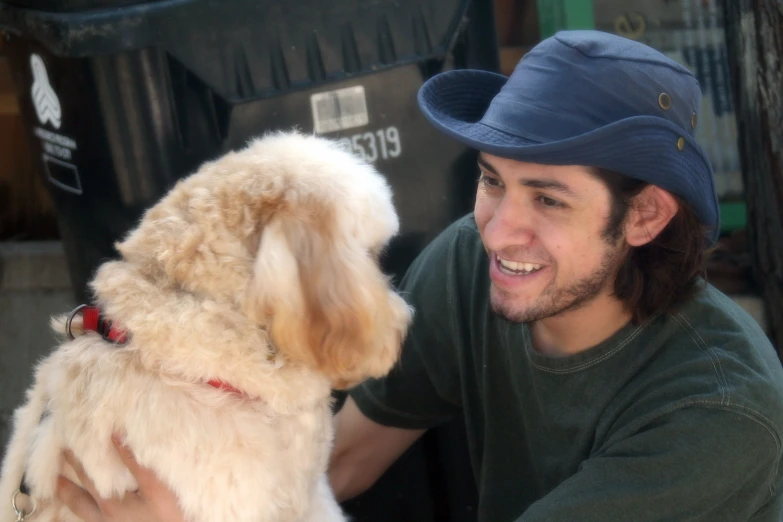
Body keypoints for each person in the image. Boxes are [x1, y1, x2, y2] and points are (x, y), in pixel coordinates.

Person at [56, 30, 783, 521]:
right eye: (492, 180)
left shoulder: (716, 414)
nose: (498, 230)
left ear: (645, 216)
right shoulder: (473, 266)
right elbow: (341, 465)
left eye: (548, 200)